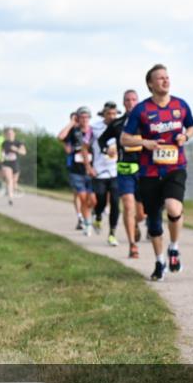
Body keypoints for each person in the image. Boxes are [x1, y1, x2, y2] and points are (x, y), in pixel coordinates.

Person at [121, 64, 193, 281]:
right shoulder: (141, 110)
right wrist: (145, 142)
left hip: (175, 166)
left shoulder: (180, 105)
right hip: (149, 171)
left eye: (167, 77)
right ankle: (159, 261)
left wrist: (186, 136)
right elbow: (125, 138)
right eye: (160, 78)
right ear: (150, 84)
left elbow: (191, 127)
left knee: (173, 207)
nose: (165, 80)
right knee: (153, 222)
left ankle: (174, 247)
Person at [100, 89, 147, 258]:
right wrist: (107, 149)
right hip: (125, 170)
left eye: (134, 99)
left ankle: (135, 223)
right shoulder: (117, 123)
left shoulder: (146, 122)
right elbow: (101, 140)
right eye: (127, 100)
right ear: (123, 103)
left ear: (138, 102)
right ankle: (132, 246)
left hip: (143, 171)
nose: (130, 102)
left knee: (141, 214)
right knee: (128, 205)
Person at [58, 108, 96, 234]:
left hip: (92, 169)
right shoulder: (74, 131)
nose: (84, 120)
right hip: (76, 170)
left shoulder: (94, 131)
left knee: (93, 199)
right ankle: (87, 223)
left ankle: (91, 215)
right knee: (82, 197)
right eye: (81, 117)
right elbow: (60, 136)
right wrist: (71, 123)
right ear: (78, 119)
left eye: (86, 117)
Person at [91, 102, 121, 247]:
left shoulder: (120, 126)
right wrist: (88, 166)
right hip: (99, 170)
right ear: (103, 114)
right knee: (101, 200)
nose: (112, 116)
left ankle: (112, 234)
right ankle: (97, 215)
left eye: (114, 114)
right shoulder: (94, 128)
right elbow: (85, 147)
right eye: (109, 113)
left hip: (115, 170)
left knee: (115, 202)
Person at [0, 127, 26, 204]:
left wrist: (16, 149)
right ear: (6, 135)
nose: (9, 135)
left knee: (14, 181)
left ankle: (10, 190)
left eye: (11, 133)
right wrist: (2, 157)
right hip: (6, 163)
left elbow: (24, 152)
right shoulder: (4, 143)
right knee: (9, 180)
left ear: (14, 134)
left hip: (15, 163)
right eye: (8, 134)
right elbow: (2, 152)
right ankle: (10, 198)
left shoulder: (19, 143)